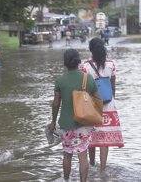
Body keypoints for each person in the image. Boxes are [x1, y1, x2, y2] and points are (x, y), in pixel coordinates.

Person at [48, 49, 98, 182]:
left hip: (66, 124)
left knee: (67, 154)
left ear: (65, 63)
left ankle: (66, 180)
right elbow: (98, 99)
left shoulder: (60, 81)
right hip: (84, 124)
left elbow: (56, 104)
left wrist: (53, 122)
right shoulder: (88, 78)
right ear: (78, 61)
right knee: (83, 155)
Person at [81, 38, 124, 171]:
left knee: (91, 137)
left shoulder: (86, 66)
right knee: (104, 139)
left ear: (91, 50)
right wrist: (112, 100)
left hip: (92, 106)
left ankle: (92, 165)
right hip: (109, 106)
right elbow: (113, 85)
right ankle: (103, 169)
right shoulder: (111, 64)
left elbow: (84, 88)